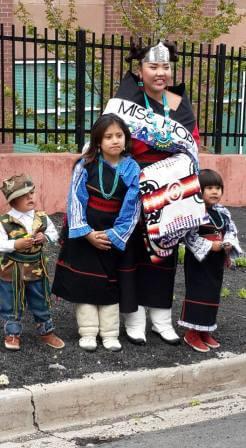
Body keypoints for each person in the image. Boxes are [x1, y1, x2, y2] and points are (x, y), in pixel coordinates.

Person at [104, 40, 203, 345]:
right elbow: (113, 138)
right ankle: (133, 317)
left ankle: (160, 317)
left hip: (170, 188)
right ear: (141, 68)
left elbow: (192, 142)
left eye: (165, 67)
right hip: (134, 184)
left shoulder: (179, 102)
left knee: (166, 249)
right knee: (132, 249)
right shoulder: (125, 100)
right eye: (153, 66)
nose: (160, 73)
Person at [52, 113, 140, 352]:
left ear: (126, 138)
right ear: (98, 142)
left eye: (119, 135)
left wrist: (114, 235)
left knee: (110, 284)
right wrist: (87, 233)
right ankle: (88, 332)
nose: (114, 141)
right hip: (86, 236)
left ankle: (110, 333)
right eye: (108, 136)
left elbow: (133, 207)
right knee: (85, 284)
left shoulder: (132, 168)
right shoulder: (85, 165)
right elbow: (75, 201)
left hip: (111, 236)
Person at [178, 169, 242, 352]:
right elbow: (188, 237)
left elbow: (231, 231)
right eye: (209, 188)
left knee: (213, 293)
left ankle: (205, 330)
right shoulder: (194, 213)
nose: (215, 192)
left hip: (216, 260)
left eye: (218, 188)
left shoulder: (222, 212)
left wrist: (228, 244)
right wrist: (209, 245)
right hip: (199, 260)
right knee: (199, 292)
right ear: (199, 191)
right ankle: (192, 332)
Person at [0, 174, 65, 351]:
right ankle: (12, 334)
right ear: (13, 200)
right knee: (11, 302)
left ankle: (46, 332)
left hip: (36, 268)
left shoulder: (41, 217)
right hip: (11, 270)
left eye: (32, 193)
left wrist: (45, 237)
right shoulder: (5, 221)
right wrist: (15, 244)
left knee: (40, 299)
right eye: (24, 195)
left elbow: (54, 234)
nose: (30, 197)